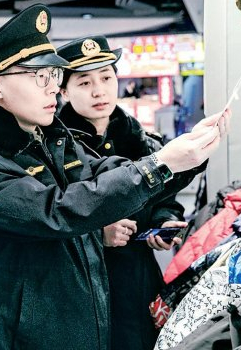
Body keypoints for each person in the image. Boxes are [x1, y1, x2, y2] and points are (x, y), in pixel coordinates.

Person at [0, 4, 230, 350]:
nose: (52, 88)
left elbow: (104, 172)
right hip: (28, 336)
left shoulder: (48, 137)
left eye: (53, 75)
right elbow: (57, 210)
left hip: (84, 319)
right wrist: (158, 165)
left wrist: (182, 157)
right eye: (39, 77)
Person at [57, 35, 190, 350]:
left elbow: (163, 197)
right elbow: (48, 216)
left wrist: (163, 221)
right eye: (84, 82)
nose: (99, 91)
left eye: (106, 78)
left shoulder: (140, 140)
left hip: (140, 279)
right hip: (84, 287)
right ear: (63, 92)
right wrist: (96, 233)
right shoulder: (56, 150)